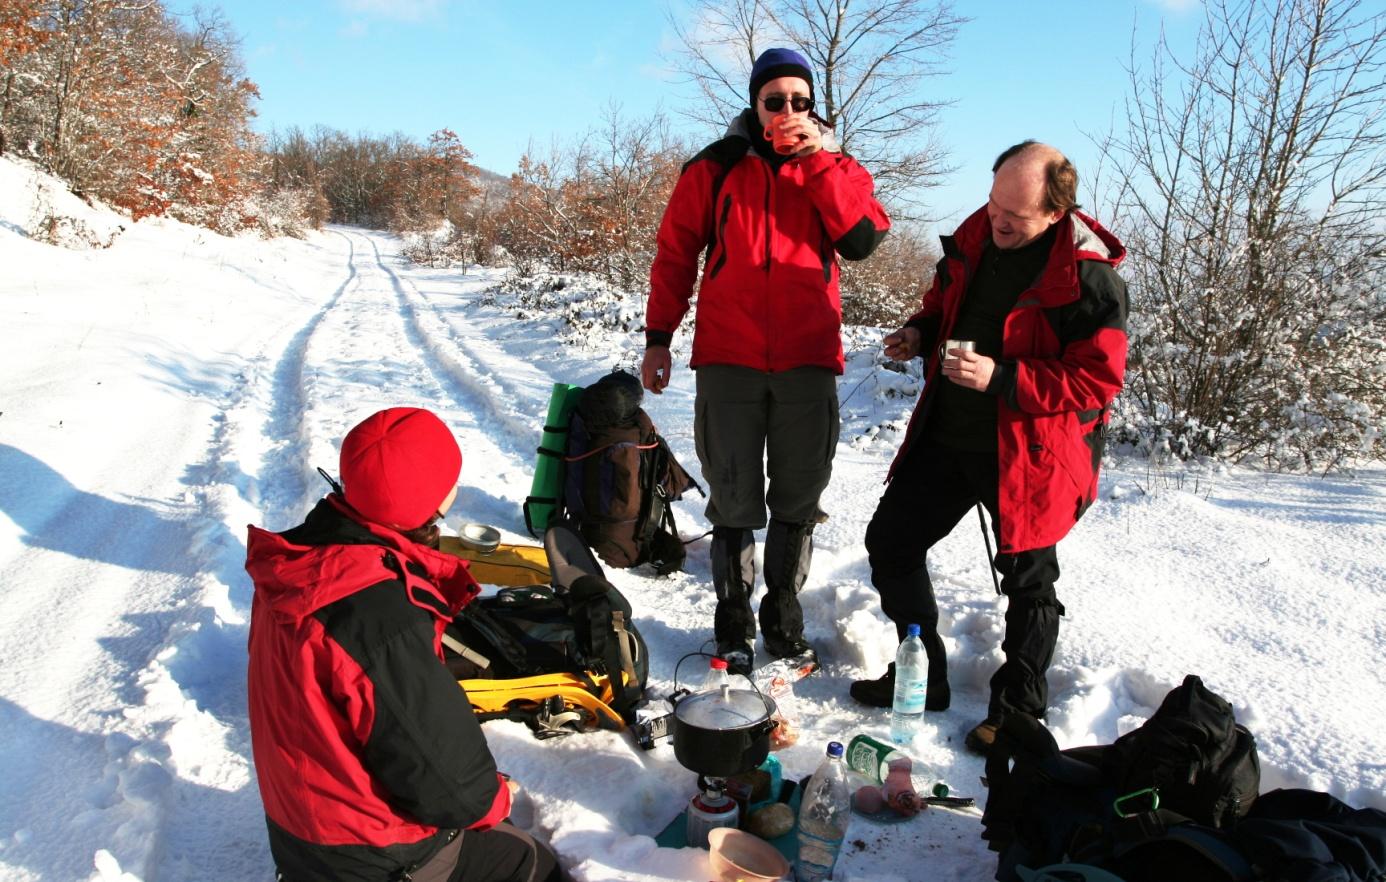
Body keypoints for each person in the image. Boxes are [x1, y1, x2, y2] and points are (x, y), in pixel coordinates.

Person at [849, 141, 1128, 755]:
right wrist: (918, 334)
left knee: (1029, 583)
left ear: (1057, 213)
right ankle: (924, 676)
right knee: (891, 543)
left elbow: (1096, 380)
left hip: (1028, 452)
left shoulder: (1089, 278)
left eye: (1017, 216)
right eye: (995, 203)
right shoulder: (973, 241)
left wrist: (1001, 378)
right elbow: (941, 309)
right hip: (948, 434)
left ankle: (1018, 711)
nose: (999, 221)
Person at [641, 47, 890, 676]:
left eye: (798, 101)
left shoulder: (841, 169)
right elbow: (675, 255)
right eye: (773, 100)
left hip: (808, 358)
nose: (785, 111)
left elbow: (861, 242)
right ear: (754, 104)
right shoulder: (716, 166)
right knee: (733, 495)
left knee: (799, 495)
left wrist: (818, 164)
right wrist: (658, 336)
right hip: (730, 357)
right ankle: (733, 624)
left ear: (813, 107)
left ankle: (782, 619)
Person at [245, 407, 565, 882]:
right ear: (434, 502)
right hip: (371, 857)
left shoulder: (303, 565)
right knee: (533, 862)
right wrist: (496, 797)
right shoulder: (378, 616)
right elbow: (453, 790)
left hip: (298, 834)